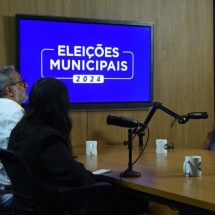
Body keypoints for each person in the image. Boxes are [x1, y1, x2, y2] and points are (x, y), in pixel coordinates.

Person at [8, 77, 151, 215]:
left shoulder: (21, 130)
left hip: (36, 205)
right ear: (59, 106)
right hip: (58, 205)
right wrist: (95, 178)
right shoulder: (47, 138)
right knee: (134, 200)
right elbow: (77, 177)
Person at [0, 65, 28, 213]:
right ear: (9, 90)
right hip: (9, 197)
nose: (27, 86)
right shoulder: (15, 112)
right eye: (21, 83)